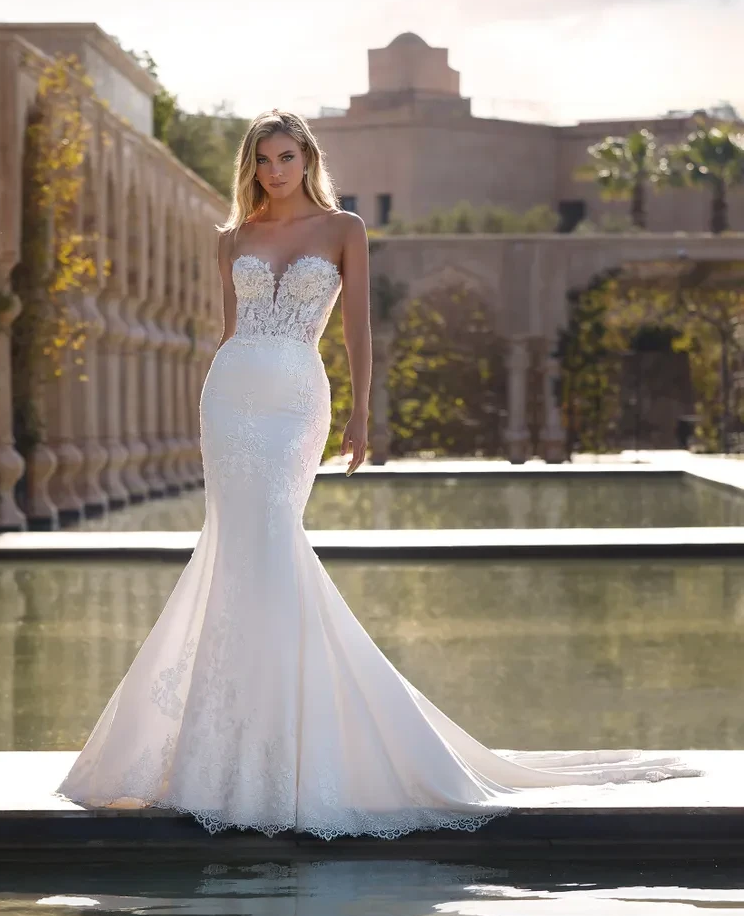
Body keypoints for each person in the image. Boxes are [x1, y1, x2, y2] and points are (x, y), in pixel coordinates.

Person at [54, 110, 703, 839]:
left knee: (272, 547)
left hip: (296, 397)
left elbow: (356, 327)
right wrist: (210, 403)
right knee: (236, 558)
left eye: (287, 156)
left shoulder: (343, 229)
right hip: (231, 398)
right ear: (250, 164)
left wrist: (362, 414)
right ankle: (228, 750)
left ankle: (286, 749)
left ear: (307, 158)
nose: (275, 170)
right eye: (263, 158)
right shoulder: (230, 238)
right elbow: (229, 333)